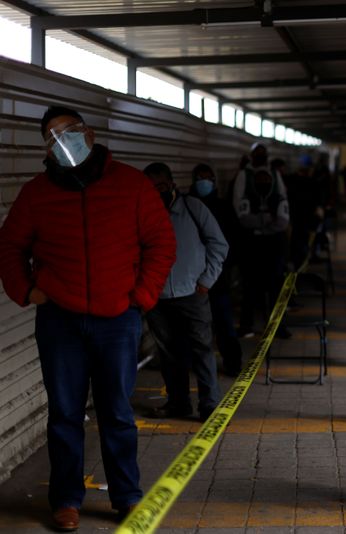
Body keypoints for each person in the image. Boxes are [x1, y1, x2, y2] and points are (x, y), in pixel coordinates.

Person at [0, 105, 176, 531]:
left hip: (118, 320)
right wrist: (28, 290)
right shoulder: (36, 193)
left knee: (117, 411)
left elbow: (161, 244)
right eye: (52, 136)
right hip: (59, 322)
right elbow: (8, 248)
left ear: (89, 134)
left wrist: (142, 295)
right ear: (46, 147)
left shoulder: (131, 186)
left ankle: (127, 496)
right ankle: (65, 500)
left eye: (70, 131)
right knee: (64, 413)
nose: (62, 140)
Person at [143, 162, 228, 421]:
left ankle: (209, 404)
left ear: (171, 184)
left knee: (201, 348)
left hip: (193, 293)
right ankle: (178, 403)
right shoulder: (142, 214)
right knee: (170, 354)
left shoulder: (193, 208)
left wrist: (206, 280)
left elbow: (219, 244)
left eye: (161, 185)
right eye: (151, 187)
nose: (156, 191)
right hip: (157, 298)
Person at [189, 163, 244, 376]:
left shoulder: (223, 207)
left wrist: (224, 267)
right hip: (191, 279)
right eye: (200, 177)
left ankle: (233, 363)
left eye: (208, 177)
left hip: (218, 277)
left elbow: (233, 242)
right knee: (194, 327)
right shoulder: (186, 207)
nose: (204, 181)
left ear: (214, 181)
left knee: (223, 323)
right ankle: (196, 364)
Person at [231, 153, 291, 338]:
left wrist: (259, 223)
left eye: (266, 178)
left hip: (274, 248)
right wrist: (267, 220)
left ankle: (277, 327)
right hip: (252, 249)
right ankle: (246, 325)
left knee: (275, 289)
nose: (263, 181)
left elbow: (282, 221)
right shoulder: (247, 199)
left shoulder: (279, 199)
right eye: (259, 178)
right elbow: (244, 220)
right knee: (250, 288)